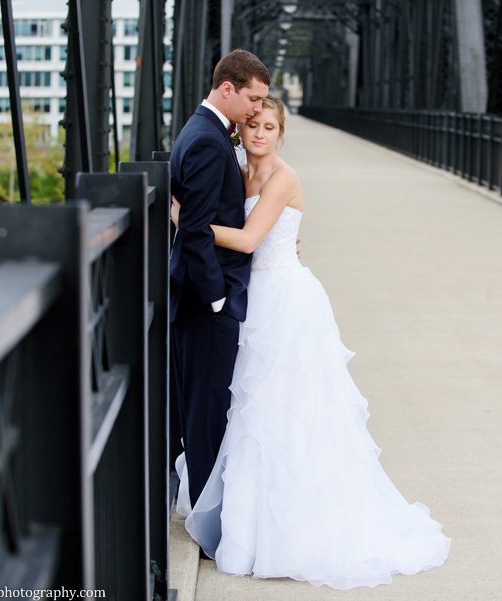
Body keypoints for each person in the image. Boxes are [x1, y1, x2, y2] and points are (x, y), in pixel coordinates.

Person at [173, 96, 450, 589]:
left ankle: (293, 529)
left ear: (281, 133)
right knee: (249, 412)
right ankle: (248, 526)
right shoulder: (236, 171)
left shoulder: (284, 178)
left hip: (285, 301)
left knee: (287, 410)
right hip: (249, 297)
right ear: (240, 131)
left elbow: (248, 239)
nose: (260, 133)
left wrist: (185, 220)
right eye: (253, 125)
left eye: (270, 127)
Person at [168, 49, 269, 512]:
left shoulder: (201, 130)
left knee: (202, 413)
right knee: (207, 419)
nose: (256, 109)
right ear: (227, 88)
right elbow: (196, 230)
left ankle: (206, 514)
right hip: (207, 302)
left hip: (197, 300)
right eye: (253, 98)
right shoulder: (209, 141)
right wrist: (216, 300)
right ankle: (209, 526)